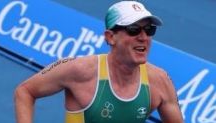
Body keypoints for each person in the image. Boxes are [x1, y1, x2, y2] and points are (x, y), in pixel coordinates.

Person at [14, 1, 184, 123]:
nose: (143, 37)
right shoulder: (80, 70)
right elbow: (25, 91)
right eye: (133, 30)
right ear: (110, 37)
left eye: (149, 30)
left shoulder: (160, 81)